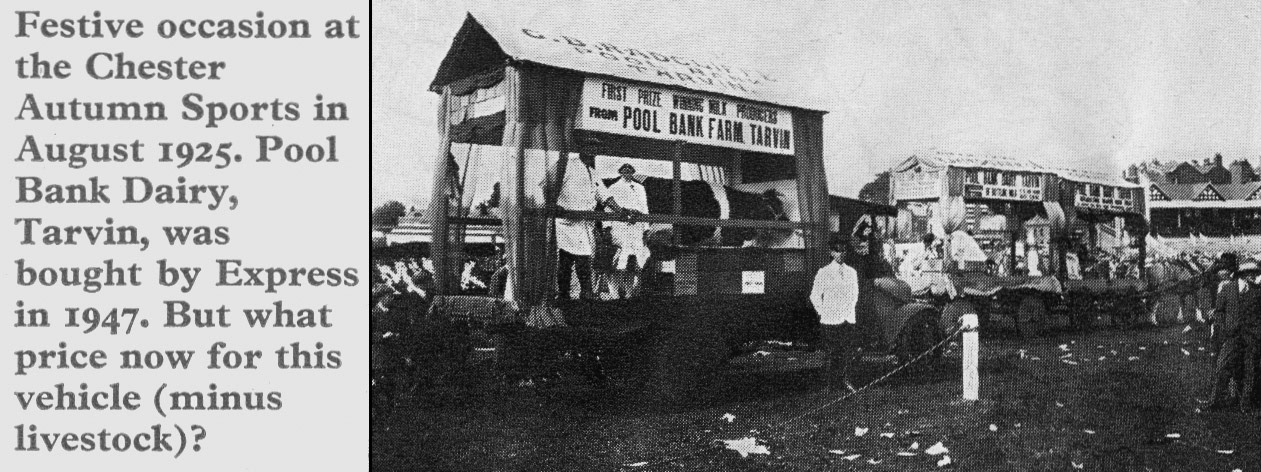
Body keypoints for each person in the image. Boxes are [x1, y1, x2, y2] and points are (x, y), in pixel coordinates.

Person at [553, 153, 620, 301]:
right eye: (588, 146)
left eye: (594, 148)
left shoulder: (592, 172)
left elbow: (605, 196)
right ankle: (564, 296)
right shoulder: (566, 164)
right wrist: (553, 205)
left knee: (584, 262)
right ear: (581, 148)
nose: (592, 151)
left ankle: (586, 295)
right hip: (566, 224)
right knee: (565, 262)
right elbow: (547, 186)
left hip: (584, 225)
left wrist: (620, 211)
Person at [811, 236, 863, 392]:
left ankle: (844, 382)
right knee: (833, 353)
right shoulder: (824, 272)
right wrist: (823, 312)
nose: (841, 254)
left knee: (846, 352)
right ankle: (831, 384)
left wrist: (848, 312)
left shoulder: (851, 272)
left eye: (843, 250)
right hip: (830, 320)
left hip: (847, 319)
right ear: (831, 252)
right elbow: (814, 296)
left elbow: (855, 295)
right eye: (837, 251)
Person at [1209, 260, 1261, 411]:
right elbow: (1219, 312)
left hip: (1252, 336)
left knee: (1250, 370)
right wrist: (1222, 330)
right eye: (1249, 273)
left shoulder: (1257, 291)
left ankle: (1246, 404)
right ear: (1242, 274)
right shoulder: (1227, 288)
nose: (1253, 275)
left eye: (1255, 273)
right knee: (1222, 366)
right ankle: (1215, 401)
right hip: (1232, 335)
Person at [605, 163, 650, 298]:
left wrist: (645, 228)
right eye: (624, 170)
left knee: (633, 263)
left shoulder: (640, 188)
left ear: (633, 172)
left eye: (630, 170)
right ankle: (614, 294)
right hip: (620, 228)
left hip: (636, 229)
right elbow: (608, 208)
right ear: (620, 172)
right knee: (618, 263)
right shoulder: (614, 187)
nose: (627, 173)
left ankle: (629, 293)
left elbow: (644, 208)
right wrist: (607, 227)